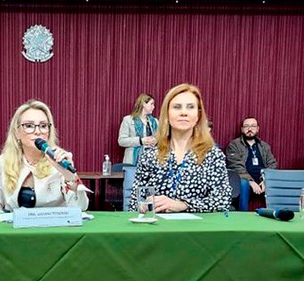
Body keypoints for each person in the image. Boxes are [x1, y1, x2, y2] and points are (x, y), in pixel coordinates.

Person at [128, 84, 231, 213]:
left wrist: (183, 205)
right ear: (167, 114)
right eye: (177, 107)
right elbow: (133, 203)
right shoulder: (149, 153)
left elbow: (223, 201)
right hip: (157, 229)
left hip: (197, 230)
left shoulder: (212, 155)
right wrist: (142, 206)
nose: (183, 112)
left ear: (198, 115)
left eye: (190, 107)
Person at [0, 100, 90, 213]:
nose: (37, 131)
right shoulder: (4, 162)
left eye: (43, 126)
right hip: (15, 229)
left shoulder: (59, 159)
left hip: (54, 229)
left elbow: (80, 208)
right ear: (16, 133)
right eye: (29, 126)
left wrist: (69, 177)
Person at [226, 116, 278, 195]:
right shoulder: (234, 145)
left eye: (253, 126)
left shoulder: (264, 146)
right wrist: (250, 181)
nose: (250, 129)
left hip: (262, 178)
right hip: (244, 178)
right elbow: (236, 166)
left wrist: (265, 180)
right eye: (246, 126)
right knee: (244, 183)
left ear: (257, 129)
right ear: (242, 129)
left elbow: (272, 164)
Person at [118, 93, 158, 165]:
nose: (154, 107)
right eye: (151, 104)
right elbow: (121, 141)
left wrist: (156, 140)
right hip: (132, 161)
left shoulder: (155, 122)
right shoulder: (128, 120)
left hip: (151, 161)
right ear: (143, 104)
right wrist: (140, 141)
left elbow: (162, 139)